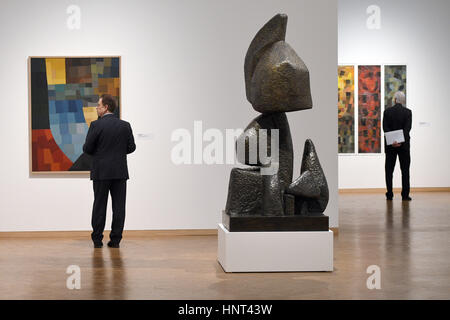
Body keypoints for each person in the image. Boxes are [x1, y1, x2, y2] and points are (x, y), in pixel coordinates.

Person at [83, 94, 136, 248]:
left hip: (101, 172)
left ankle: (97, 240)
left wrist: (100, 153)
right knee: (119, 206)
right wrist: (118, 152)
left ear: (106, 107)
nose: (96, 108)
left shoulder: (96, 126)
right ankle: (115, 240)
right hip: (120, 172)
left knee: (100, 205)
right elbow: (131, 147)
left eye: (98, 105)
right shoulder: (125, 125)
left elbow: (87, 148)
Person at [382, 91, 412, 201]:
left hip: (390, 146)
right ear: (403, 101)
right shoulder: (408, 112)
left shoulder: (387, 112)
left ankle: (389, 194)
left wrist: (393, 141)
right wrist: (400, 141)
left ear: (395, 100)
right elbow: (407, 129)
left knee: (389, 171)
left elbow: (385, 128)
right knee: (405, 171)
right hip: (404, 147)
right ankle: (405, 195)